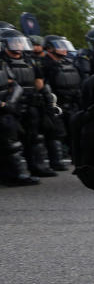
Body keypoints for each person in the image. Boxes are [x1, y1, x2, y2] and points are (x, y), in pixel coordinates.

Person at [0, 26, 57, 178]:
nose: (18, 45)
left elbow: (39, 82)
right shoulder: (2, 60)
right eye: (14, 42)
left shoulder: (29, 60)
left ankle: (37, 166)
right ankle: (14, 173)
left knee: (34, 137)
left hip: (30, 104)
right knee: (11, 141)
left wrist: (46, 101)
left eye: (20, 42)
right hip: (10, 106)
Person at [0, 24, 39, 186]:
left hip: (7, 109)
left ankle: (16, 175)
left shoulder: (2, 63)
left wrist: (9, 103)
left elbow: (13, 84)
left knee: (12, 142)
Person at [40, 35, 82, 170]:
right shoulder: (44, 64)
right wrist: (49, 103)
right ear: (50, 48)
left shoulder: (68, 62)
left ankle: (76, 158)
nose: (64, 49)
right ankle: (56, 161)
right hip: (55, 103)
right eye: (59, 46)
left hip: (71, 102)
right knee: (56, 133)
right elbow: (43, 84)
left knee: (74, 131)